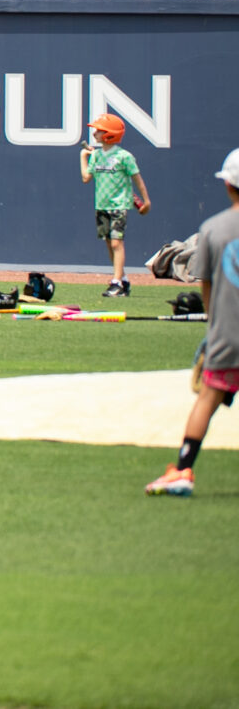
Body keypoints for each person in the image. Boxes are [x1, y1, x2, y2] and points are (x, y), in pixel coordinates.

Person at [146, 148, 239, 496]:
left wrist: (214, 329)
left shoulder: (213, 229)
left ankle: (183, 469)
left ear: (228, 185)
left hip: (229, 334)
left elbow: (208, 287)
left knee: (208, 398)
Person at [82, 113, 151, 298]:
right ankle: (123, 279)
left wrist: (146, 200)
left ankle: (116, 283)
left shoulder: (124, 156)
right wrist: (84, 157)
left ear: (110, 134)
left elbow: (137, 179)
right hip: (101, 205)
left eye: (99, 130)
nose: (95, 133)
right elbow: (86, 178)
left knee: (116, 243)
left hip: (118, 206)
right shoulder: (96, 155)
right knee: (109, 243)